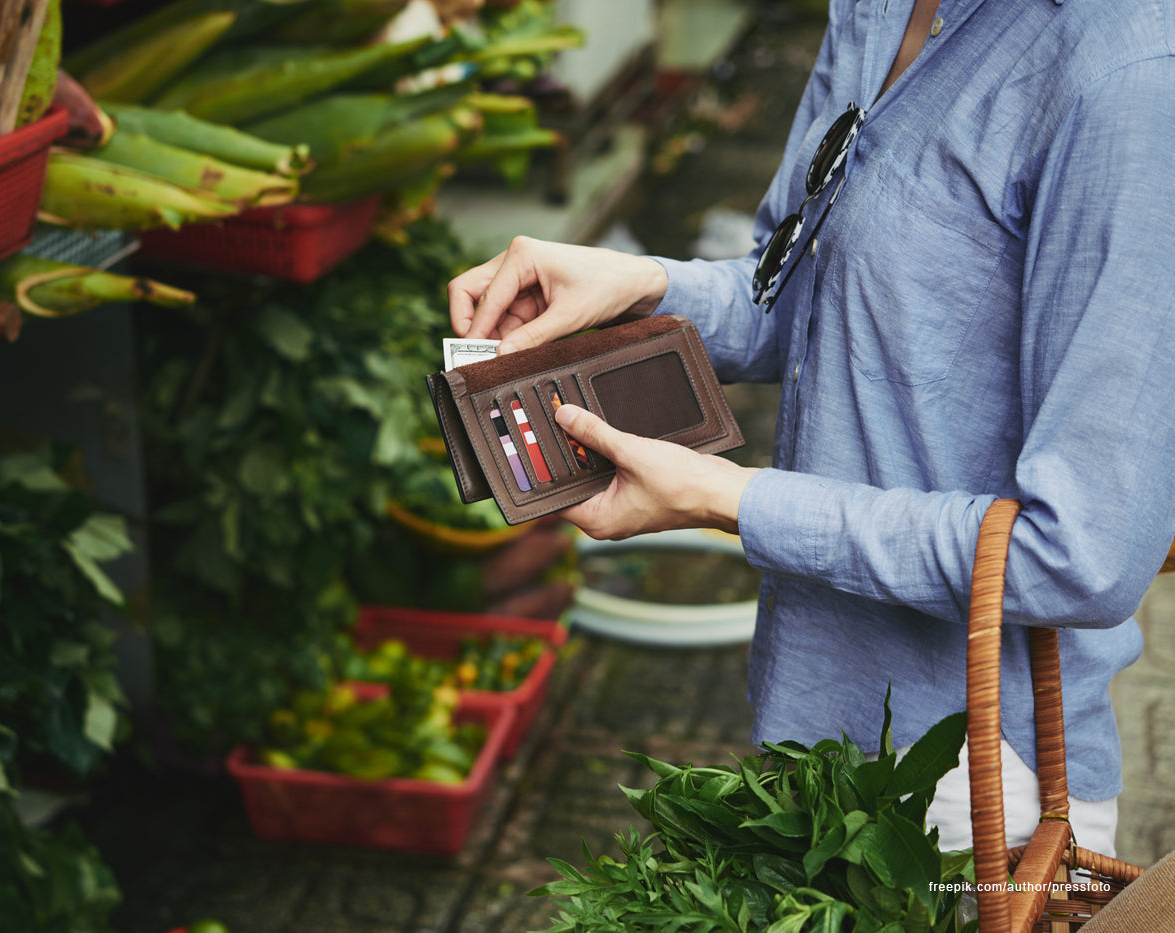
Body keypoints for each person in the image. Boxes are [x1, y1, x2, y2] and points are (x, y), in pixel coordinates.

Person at [447, 0, 1175, 857]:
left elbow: (1082, 557)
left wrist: (731, 501)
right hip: (805, 716)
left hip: (965, 786)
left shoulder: (1127, 76)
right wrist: (638, 283)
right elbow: (804, 302)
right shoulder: (877, 9)